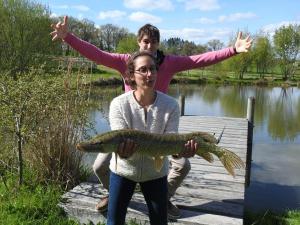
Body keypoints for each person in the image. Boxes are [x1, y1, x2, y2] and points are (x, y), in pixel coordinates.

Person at [50, 16, 252, 219]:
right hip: (128, 129)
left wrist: (232, 50)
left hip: (159, 129)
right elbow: (97, 55)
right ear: (139, 42)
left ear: (158, 45)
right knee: (99, 166)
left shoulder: (169, 64)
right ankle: (115, 195)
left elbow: (200, 60)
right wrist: (68, 38)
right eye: (145, 41)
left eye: (153, 42)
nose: (149, 45)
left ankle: (164, 197)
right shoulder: (126, 62)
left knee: (183, 165)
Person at [107, 51, 197, 225]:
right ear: (132, 75)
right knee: (114, 222)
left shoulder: (171, 105)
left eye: (153, 69)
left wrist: (180, 152)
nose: (149, 74)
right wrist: (123, 152)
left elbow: (171, 139)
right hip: (123, 171)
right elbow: (120, 140)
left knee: (159, 222)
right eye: (143, 69)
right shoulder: (118, 104)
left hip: (156, 173)